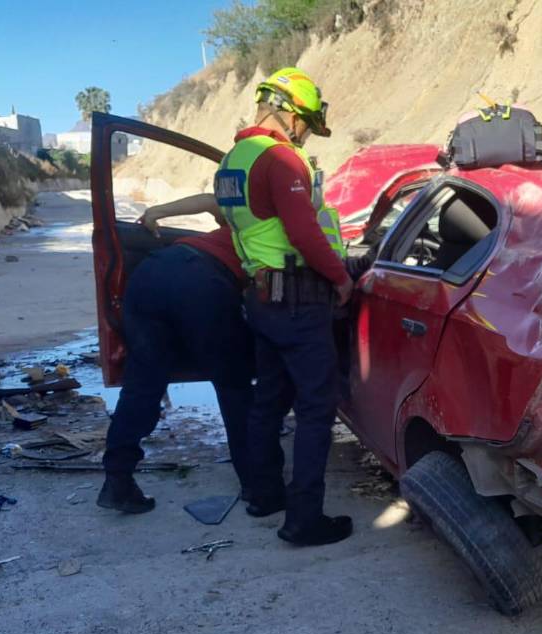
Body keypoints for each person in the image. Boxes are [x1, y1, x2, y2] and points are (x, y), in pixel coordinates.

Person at [214, 67, 354, 547]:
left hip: (260, 297)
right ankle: (304, 519)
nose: (307, 133)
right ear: (289, 112)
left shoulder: (233, 159)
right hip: (296, 298)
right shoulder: (281, 159)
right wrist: (341, 278)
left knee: (268, 400)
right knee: (318, 406)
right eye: (307, 123)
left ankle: (263, 494)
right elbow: (304, 232)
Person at [98, 196, 254, 513]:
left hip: (150, 274)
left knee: (142, 385)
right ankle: (257, 484)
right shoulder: (274, 222)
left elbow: (210, 201)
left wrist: (157, 211)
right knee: (234, 384)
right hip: (201, 282)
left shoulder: (243, 211)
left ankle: (118, 481)